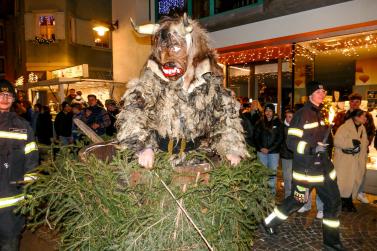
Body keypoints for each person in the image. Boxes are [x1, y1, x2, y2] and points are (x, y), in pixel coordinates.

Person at [262, 81, 344, 251]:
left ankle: (332, 244)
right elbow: (291, 143)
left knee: (334, 203)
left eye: (324, 91)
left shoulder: (321, 114)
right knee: (297, 201)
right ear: (310, 95)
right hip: (306, 172)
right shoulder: (301, 115)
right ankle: (269, 222)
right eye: (319, 91)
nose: (323, 93)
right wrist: (313, 148)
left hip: (323, 170)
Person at [0, 79, 39, 250]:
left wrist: (29, 195)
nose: (5, 98)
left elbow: (32, 163)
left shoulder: (23, 127)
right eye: (1, 94)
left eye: (9, 95)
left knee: (9, 244)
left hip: (12, 205)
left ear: (14, 99)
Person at [332, 92, 375, 203]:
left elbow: (371, 131)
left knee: (360, 171)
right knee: (344, 174)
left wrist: (363, 144)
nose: (354, 104)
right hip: (345, 151)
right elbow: (335, 130)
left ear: (360, 103)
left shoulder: (367, 116)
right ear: (349, 102)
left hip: (361, 150)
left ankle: (359, 192)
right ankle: (342, 196)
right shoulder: (341, 115)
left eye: (357, 102)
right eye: (352, 101)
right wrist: (346, 143)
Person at [333, 109, 368, 212]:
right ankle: (343, 202)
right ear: (356, 117)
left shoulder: (362, 128)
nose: (365, 118)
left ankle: (348, 201)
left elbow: (364, 143)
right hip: (345, 161)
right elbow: (337, 141)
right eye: (363, 116)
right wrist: (351, 142)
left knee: (354, 180)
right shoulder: (344, 127)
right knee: (344, 181)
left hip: (357, 160)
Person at [254, 103, 284, 194]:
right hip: (261, 152)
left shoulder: (278, 123)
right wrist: (261, 148)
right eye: (266, 111)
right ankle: (262, 194)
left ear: (273, 112)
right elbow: (256, 137)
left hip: (273, 153)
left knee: (272, 174)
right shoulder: (260, 122)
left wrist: (269, 149)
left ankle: (271, 195)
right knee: (262, 173)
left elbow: (280, 138)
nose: (268, 113)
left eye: (270, 111)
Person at [280, 109, 294, 198]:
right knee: (287, 177)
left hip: (296, 155)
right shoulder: (282, 127)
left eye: (291, 117)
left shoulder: (297, 126)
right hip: (286, 155)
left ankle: (294, 195)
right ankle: (287, 195)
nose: (289, 119)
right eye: (288, 117)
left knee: (295, 177)